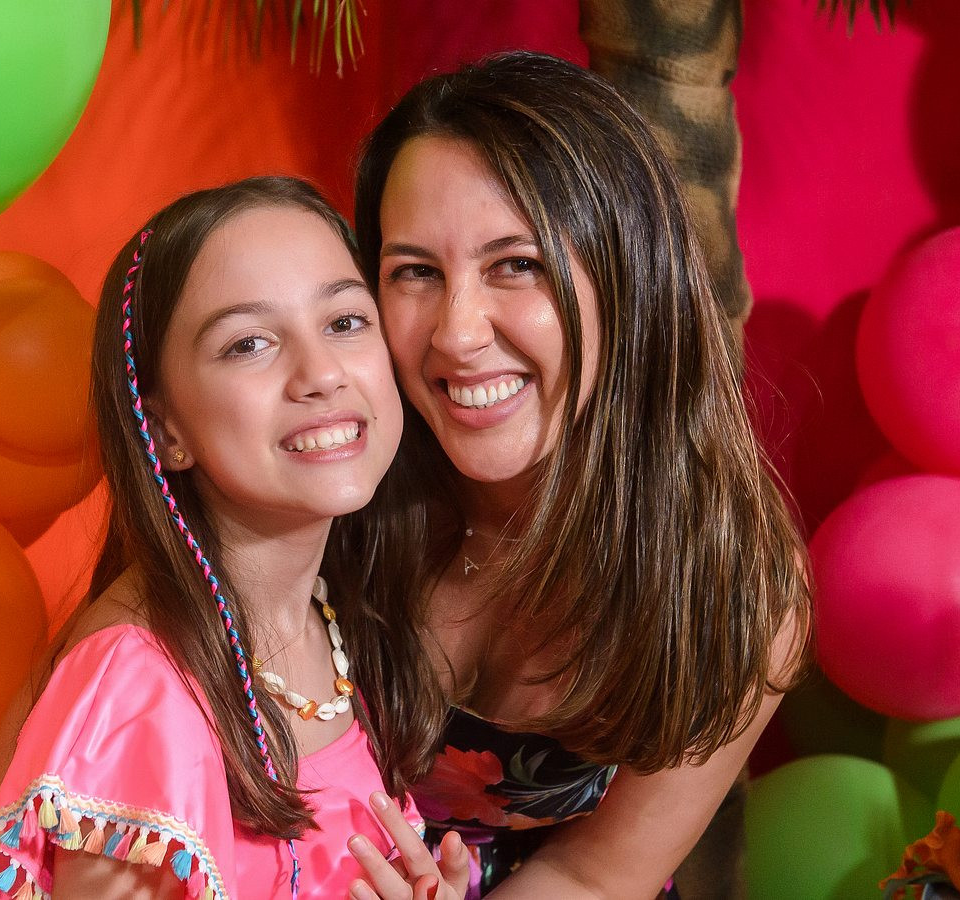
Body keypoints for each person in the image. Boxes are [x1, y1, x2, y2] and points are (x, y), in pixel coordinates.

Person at [341, 52, 813, 898]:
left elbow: (596, 875)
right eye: (415, 272)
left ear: (629, 274)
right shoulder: (330, 487)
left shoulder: (732, 584)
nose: (456, 333)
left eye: (516, 264)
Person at [0, 177, 468, 900]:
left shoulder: (328, 613)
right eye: (249, 344)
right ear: (165, 428)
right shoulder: (138, 696)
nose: (322, 374)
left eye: (344, 321)